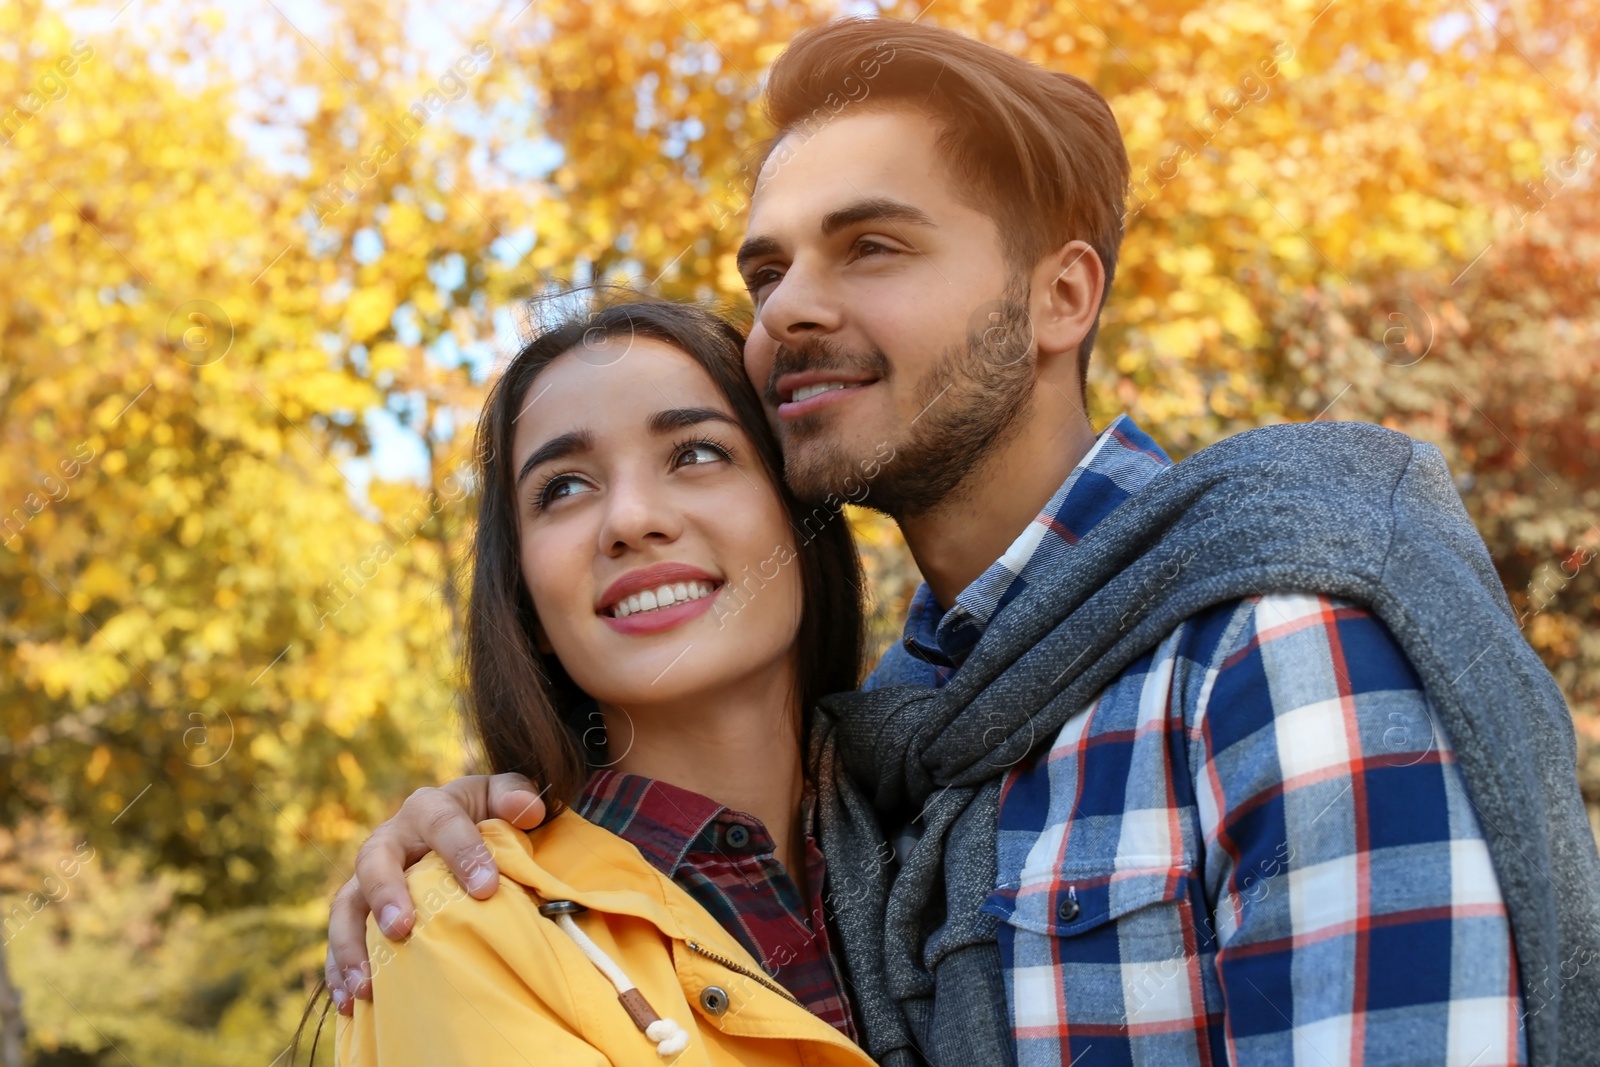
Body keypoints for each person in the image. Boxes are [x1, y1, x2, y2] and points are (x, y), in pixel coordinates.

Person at [325, 16, 1600, 1067]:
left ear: (1060, 297)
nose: (791, 312)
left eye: (871, 246)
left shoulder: (1272, 641)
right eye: (766, 273)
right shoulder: (900, 750)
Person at [317, 299, 878, 1065]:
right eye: (565, 488)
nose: (632, 518)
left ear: (799, 514)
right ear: (528, 606)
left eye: (695, 453)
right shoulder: (460, 931)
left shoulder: (968, 830)